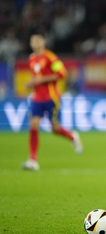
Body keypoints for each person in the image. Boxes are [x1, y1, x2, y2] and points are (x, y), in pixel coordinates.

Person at [22, 34, 83, 171]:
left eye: (38, 40)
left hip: (52, 97)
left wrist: (40, 80)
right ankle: (33, 160)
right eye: (32, 41)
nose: (35, 43)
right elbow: (36, 77)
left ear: (43, 42)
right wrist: (32, 83)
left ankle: (72, 136)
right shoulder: (31, 59)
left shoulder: (50, 57)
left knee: (55, 128)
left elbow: (63, 73)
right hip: (37, 98)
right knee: (33, 125)